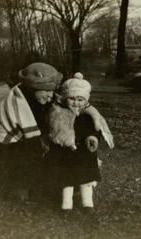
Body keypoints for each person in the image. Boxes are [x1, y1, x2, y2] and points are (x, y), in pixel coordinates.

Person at [0, 63, 109, 202]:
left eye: (52, 90)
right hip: (10, 142)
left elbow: (71, 104)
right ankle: (19, 187)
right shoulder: (15, 103)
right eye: (46, 91)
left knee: (53, 154)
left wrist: (92, 115)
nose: (50, 95)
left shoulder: (46, 98)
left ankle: (57, 183)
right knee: (20, 163)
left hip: (34, 138)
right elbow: (31, 140)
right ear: (32, 88)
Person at [45, 73, 114, 215]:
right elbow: (53, 130)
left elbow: (94, 130)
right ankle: (66, 205)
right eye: (71, 98)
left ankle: (87, 203)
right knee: (67, 178)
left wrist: (92, 138)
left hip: (84, 152)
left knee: (86, 178)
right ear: (65, 98)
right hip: (65, 152)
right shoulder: (59, 113)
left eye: (80, 99)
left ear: (85, 101)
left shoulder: (88, 115)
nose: (76, 103)